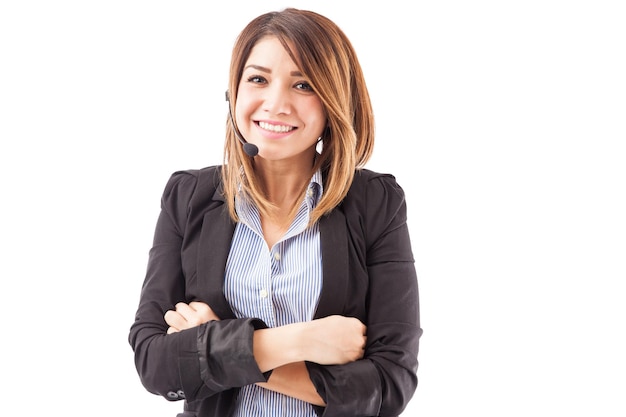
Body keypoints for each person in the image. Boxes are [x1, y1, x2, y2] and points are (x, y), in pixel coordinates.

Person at [128, 7, 422, 417]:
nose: (276, 103)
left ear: (334, 99)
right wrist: (299, 341)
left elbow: (390, 385)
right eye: (258, 79)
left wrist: (214, 343)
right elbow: (154, 363)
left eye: (303, 84)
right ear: (234, 90)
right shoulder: (188, 196)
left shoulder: (376, 203)